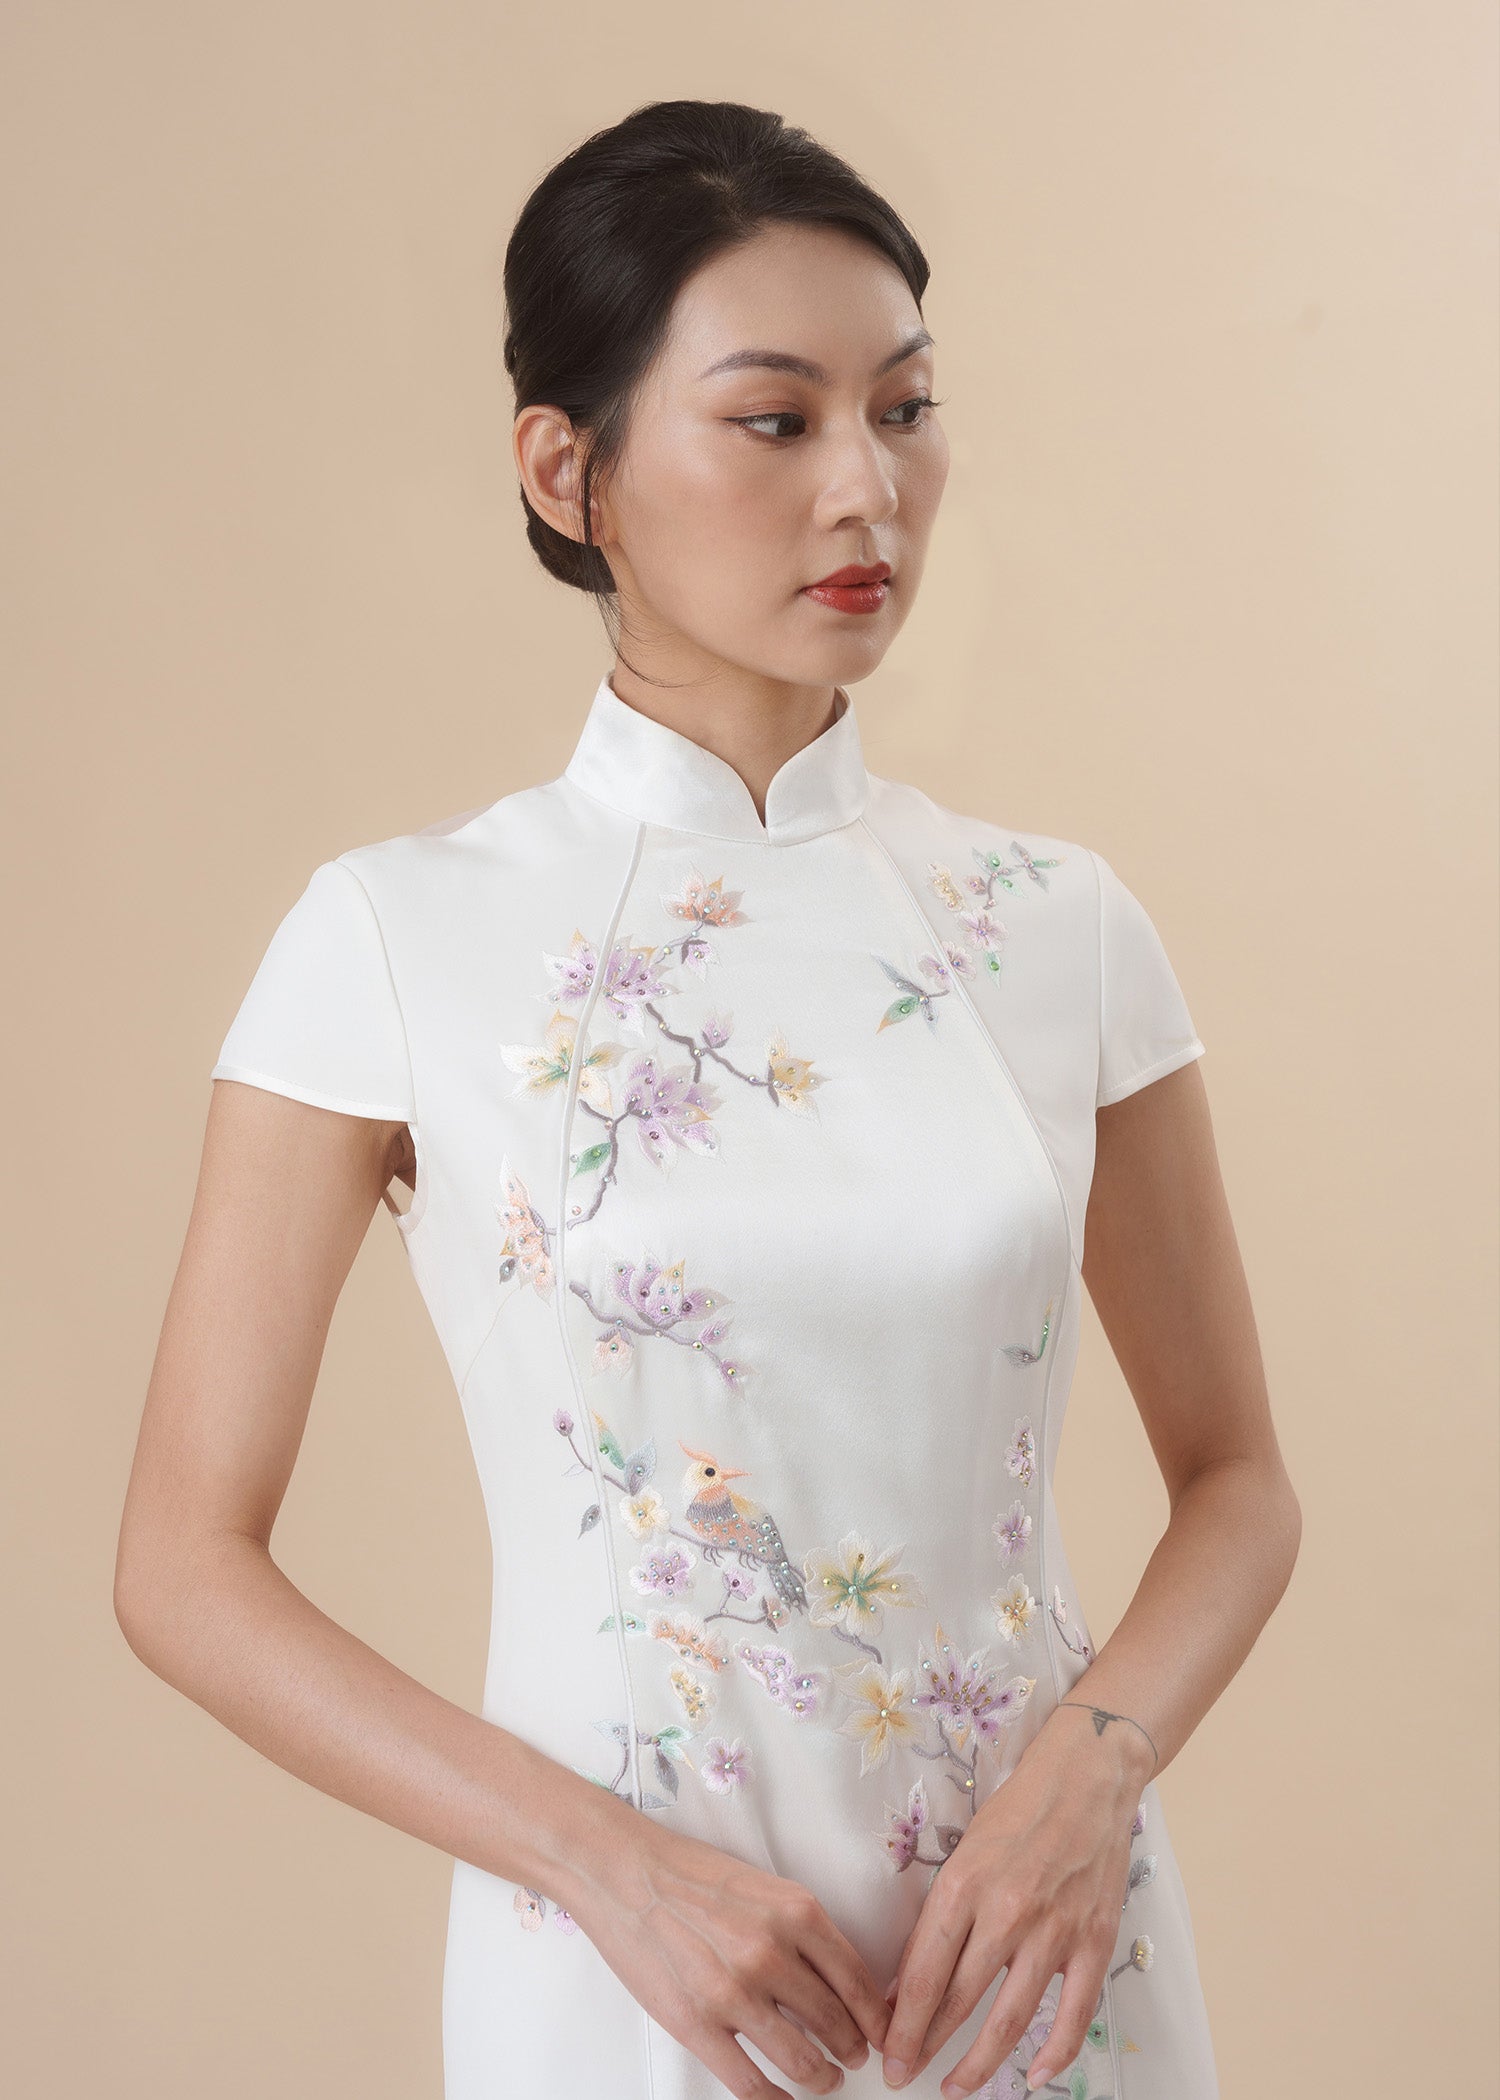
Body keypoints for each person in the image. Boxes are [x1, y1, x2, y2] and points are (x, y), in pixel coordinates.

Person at [115, 98, 1300, 2100]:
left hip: (1033, 1965)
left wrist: (1093, 1777)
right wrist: (607, 1866)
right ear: (563, 468)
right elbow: (181, 1568)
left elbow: (1240, 1482)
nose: (868, 490)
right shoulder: (394, 937)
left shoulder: (1056, 926)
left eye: (904, 410)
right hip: (632, 1980)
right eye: (775, 420)